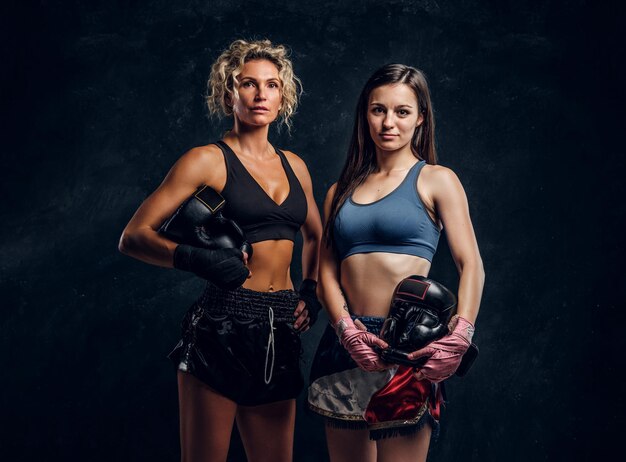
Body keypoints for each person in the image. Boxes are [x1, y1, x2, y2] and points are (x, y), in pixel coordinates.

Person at [118, 39, 322, 462]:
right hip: (223, 323)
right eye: (248, 84)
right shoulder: (207, 160)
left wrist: (311, 291)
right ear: (230, 93)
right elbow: (134, 235)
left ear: (283, 95)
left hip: (280, 328)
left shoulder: (295, 165)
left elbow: (317, 236)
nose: (261, 94)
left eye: (271, 84)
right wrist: (198, 259)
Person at [308, 64, 485, 462]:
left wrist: (462, 334)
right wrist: (346, 330)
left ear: (421, 117)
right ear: (365, 114)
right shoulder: (339, 191)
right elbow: (326, 274)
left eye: (402, 112)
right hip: (348, 342)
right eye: (378, 110)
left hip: (405, 346)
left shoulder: (437, 179)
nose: (389, 122)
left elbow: (470, 262)